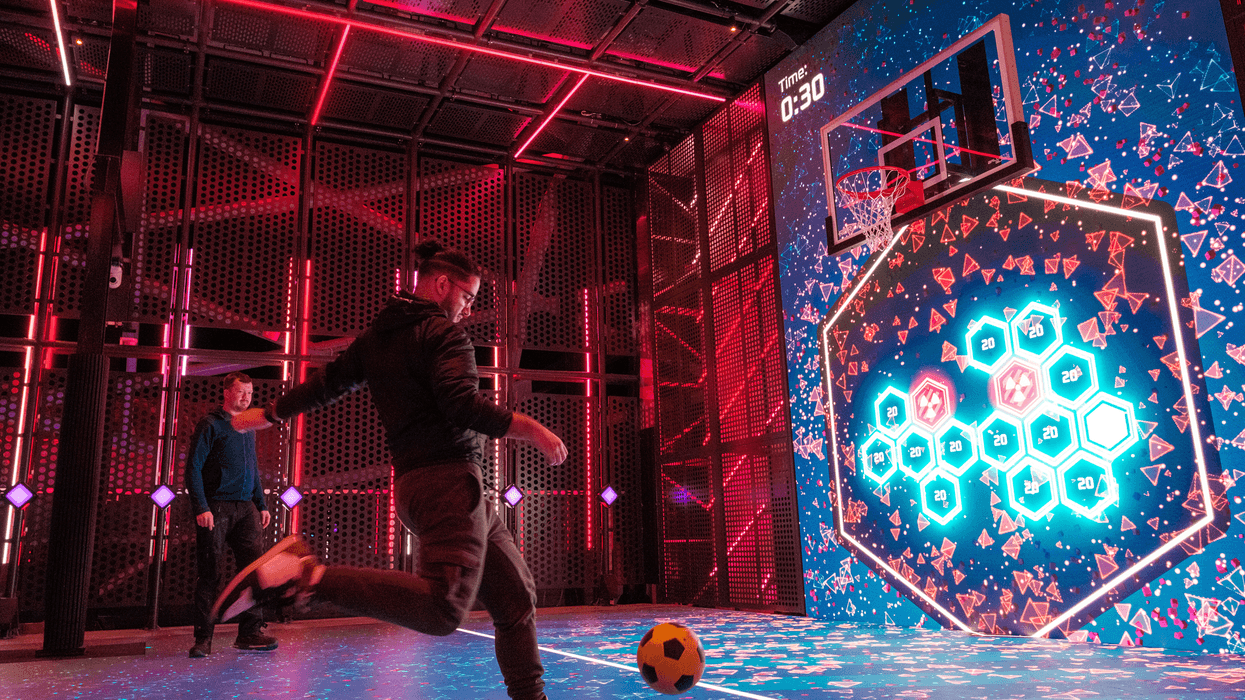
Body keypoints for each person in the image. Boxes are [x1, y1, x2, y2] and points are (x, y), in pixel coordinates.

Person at [213, 240, 567, 700]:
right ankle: (306, 576)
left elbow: (327, 385)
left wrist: (272, 413)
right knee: (444, 610)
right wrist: (531, 429)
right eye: (467, 297)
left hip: (426, 488)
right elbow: (461, 405)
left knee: (516, 595)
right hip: (449, 484)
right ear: (442, 285)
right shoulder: (443, 335)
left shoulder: (378, 337)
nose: (466, 309)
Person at [184, 372, 277, 658]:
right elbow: (193, 469)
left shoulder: (247, 428)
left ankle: (249, 633)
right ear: (227, 393)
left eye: (250, 393)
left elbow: (253, 470)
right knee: (210, 574)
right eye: (241, 392)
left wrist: (260, 504)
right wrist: (201, 507)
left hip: (245, 509)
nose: (246, 398)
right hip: (217, 508)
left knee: (254, 572)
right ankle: (203, 640)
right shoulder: (210, 424)